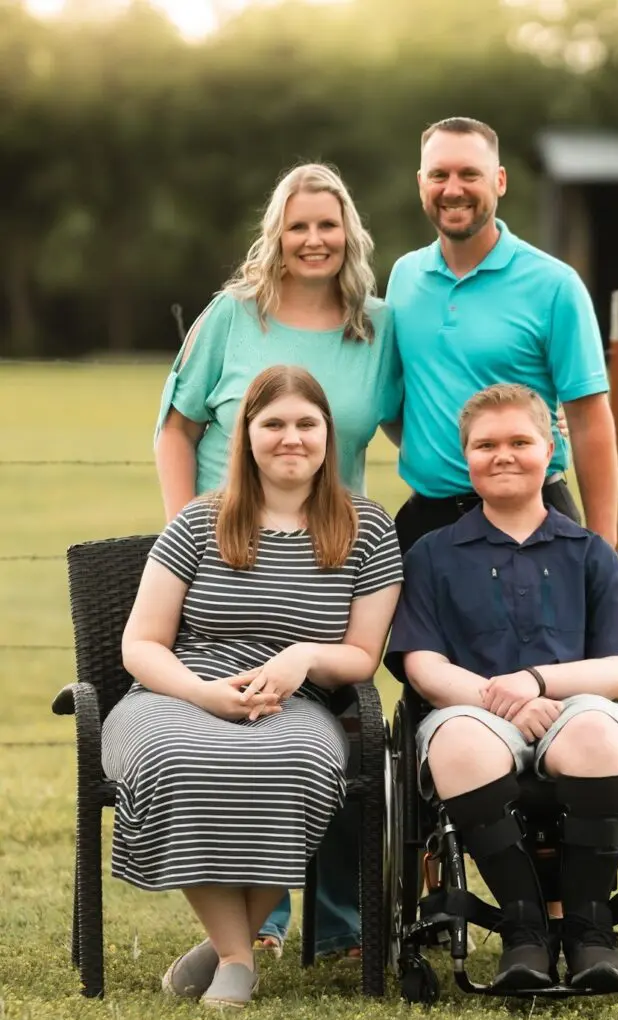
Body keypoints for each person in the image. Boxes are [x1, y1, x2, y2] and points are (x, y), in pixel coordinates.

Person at [154, 163, 402, 957]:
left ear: (351, 233)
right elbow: (175, 428)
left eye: (328, 225)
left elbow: (405, 427)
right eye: (299, 225)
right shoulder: (231, 316)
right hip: (227, 549)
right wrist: (188, 537)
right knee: (244, 726)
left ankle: (342, 926)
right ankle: (258, 926)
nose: (314, 240)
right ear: (277, 233)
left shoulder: (380, 327)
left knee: (334, 718)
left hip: (332, 553)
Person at [103, 366, 402, 1007]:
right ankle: (239, 957)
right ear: (247, 434)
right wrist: (203, 695)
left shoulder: (369, 529)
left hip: (297, 700)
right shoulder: (199, 522)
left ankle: (223, 949)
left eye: (306, 424)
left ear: (329, 434)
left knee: (301, 762)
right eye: (273, 424)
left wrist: (301, 658)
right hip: (176, 693)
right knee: (176, 756)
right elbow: (140, 645)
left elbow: (361, 655)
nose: (290, 438)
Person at [385, 383, 618, 995]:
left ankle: (587, 930)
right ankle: (524, 929)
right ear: (465, 456)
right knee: (459, 748)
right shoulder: (431, 554)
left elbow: (616, 668)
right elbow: (422, 664)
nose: (503, 455)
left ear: (551, 449)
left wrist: (536, 683)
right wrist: (499, 700)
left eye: (520, 441)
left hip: (576, 704)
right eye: (486, 445)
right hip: (469, 709)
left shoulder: (591, 553)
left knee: (598, 736)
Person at [385, 117, 618, 556]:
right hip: (427, 526)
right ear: (422, 183)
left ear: (500, 180)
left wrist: (603, 547)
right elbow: (400, 399)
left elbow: (589, 420)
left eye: (469, 174)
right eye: (439, 175)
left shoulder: (554, 285)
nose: (452, 189)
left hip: (533, 521)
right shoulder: (404, 277)